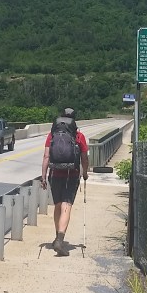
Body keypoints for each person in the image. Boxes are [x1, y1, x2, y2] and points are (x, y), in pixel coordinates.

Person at [41, 107, 89, 256]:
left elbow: (46, 157)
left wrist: (43, 176)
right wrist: (85, 172)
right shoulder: (78, 136)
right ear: (74, 120)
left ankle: (57, 236)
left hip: (54, 173)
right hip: (71, 174)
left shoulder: (52, 135)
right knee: (66, 206)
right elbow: (84, 158)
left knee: (58, 205)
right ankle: (60, 240)